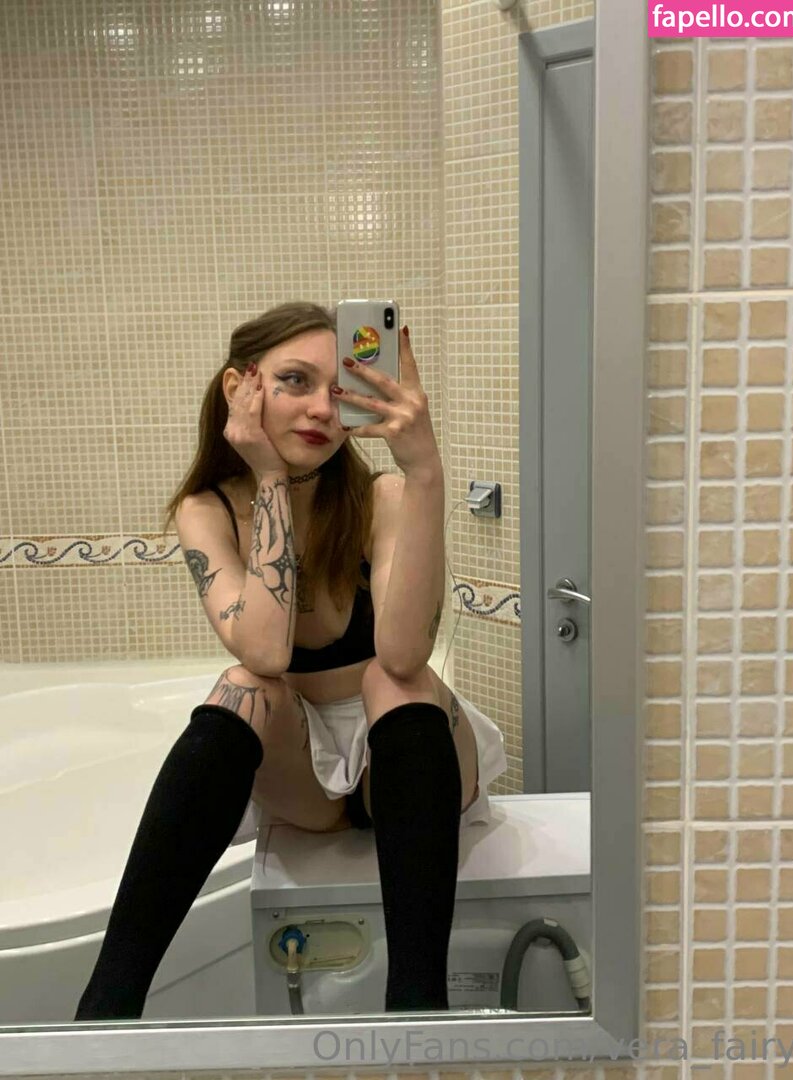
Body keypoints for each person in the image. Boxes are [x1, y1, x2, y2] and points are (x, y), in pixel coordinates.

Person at [74, 301, 506, 1021]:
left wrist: (424, 469)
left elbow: (405, 654)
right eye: (295, 381)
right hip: (304, 778)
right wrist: (269, 478)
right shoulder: (207, 509)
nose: (321, 411)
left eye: (339, 391)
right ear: (240, 387)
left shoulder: (382, 496)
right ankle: (106, 1010)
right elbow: (266, 652)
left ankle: (417, 1010)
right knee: (245, 687)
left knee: (391, 680)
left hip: (410, 757)